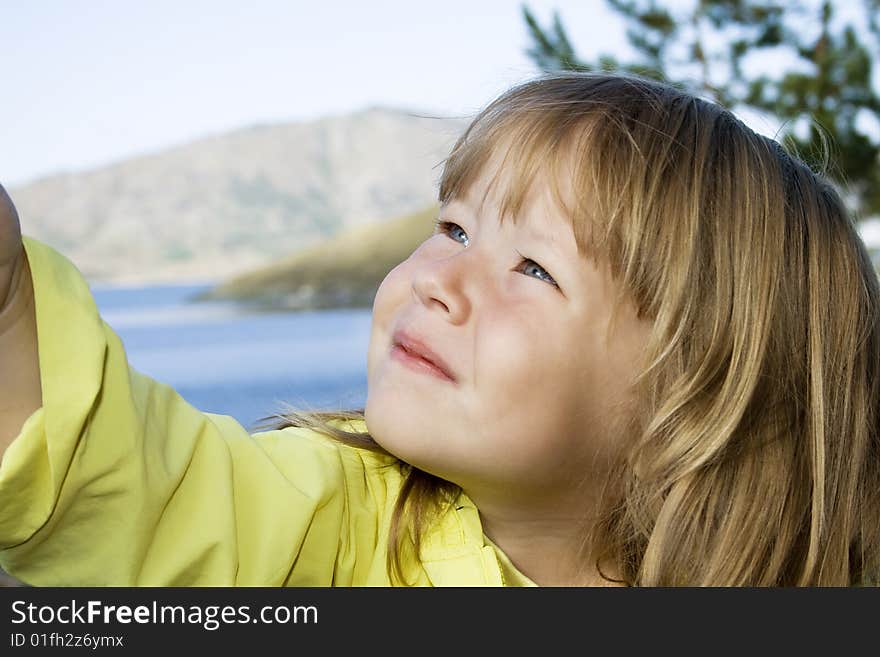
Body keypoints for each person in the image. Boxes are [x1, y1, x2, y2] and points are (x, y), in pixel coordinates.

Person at [0, 72, 878, 587]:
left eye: (533, 268)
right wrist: (10, 304)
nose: (434, 279)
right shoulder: (345, 522)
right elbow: (153, 499)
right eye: (453, 227)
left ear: (698, 398)